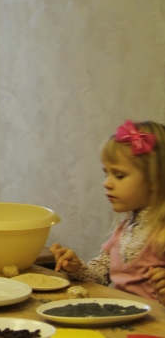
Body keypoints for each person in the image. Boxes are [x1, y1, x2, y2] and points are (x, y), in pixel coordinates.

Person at [51, 120, 165, 303]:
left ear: (154, 179)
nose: (107, 183)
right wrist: (76, 267)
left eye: (119, 176)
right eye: (107, 174)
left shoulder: (161, 235)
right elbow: (99, 276)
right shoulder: (125, 229)